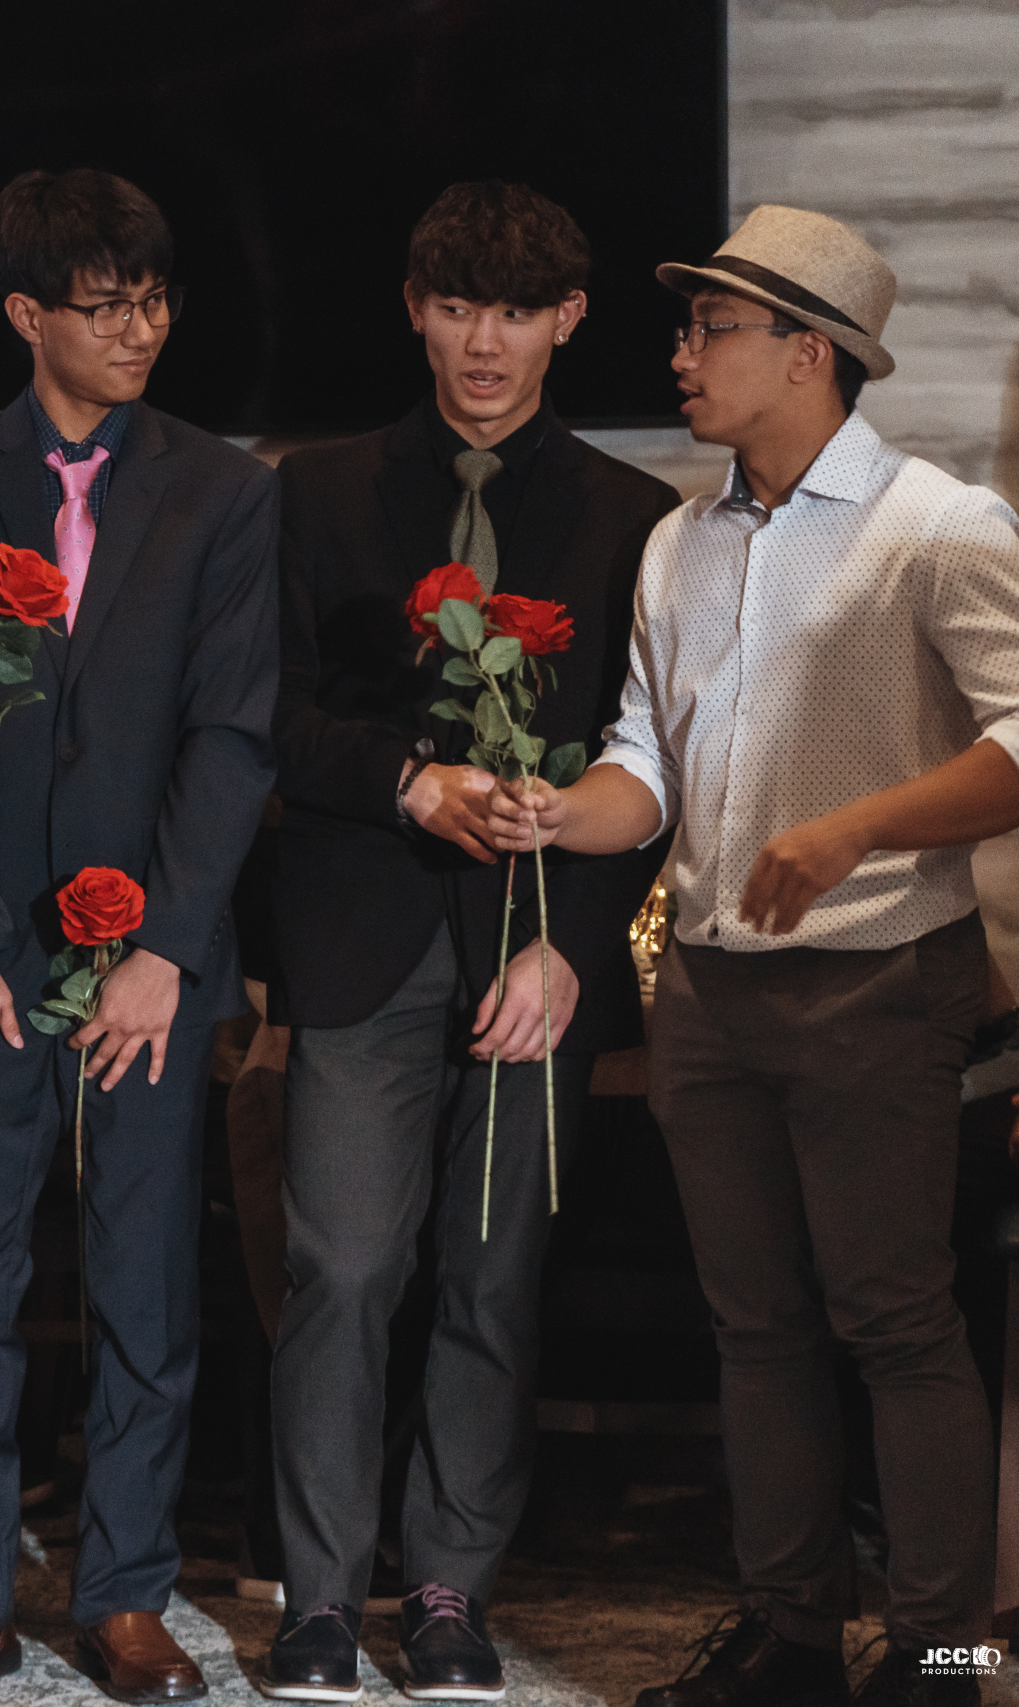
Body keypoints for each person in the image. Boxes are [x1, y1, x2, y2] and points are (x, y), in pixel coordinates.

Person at [488, 205, 1019, 1707]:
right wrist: (555, 813)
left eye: (711, 327)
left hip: (878, 980)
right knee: (756, 1326)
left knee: (897, 1322)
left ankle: (943, 1655)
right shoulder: (682, 540)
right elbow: (645, 762)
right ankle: (790, 1637)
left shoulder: (939, 525)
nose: (682, 354)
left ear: (810, 353)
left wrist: (856, 830)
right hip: (710, 989)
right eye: (688, 327)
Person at [0, 168, 278, 1706]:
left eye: (155, 300)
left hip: (150, 949)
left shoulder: (226, 490)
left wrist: (166, 946)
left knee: (146, 1280)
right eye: (106, 306)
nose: (140, 330)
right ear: (29, 313)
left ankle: (128, 1590)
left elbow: (231, 735)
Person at [255, 181, 682, 1702]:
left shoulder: (640, 518)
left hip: (536, 953)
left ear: (568, 320)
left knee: (495, 1277)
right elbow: (265, 714)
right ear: (415, 312)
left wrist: (575, 950)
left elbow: (655, 763)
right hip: (360, 935)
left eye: (513, 312)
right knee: (342, 1267)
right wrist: (405, 780)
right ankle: (318, 1597)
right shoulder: (311, 492)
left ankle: (449, 1592)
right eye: (455, 307)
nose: (482, 343)